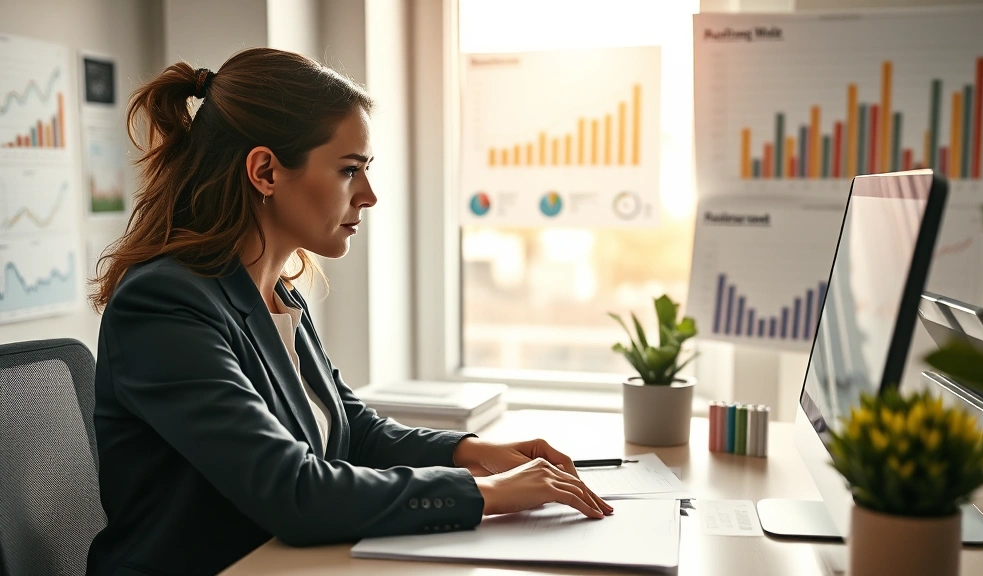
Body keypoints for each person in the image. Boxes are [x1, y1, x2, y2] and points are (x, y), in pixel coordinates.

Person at [86, 47, 612, 576]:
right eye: (348, 170)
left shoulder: (277, 296)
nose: (369, 195)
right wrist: (485, 492)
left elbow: (351, 432)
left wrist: (471, 452)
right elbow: (294, 492)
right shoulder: (164, 306)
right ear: (265, 171)